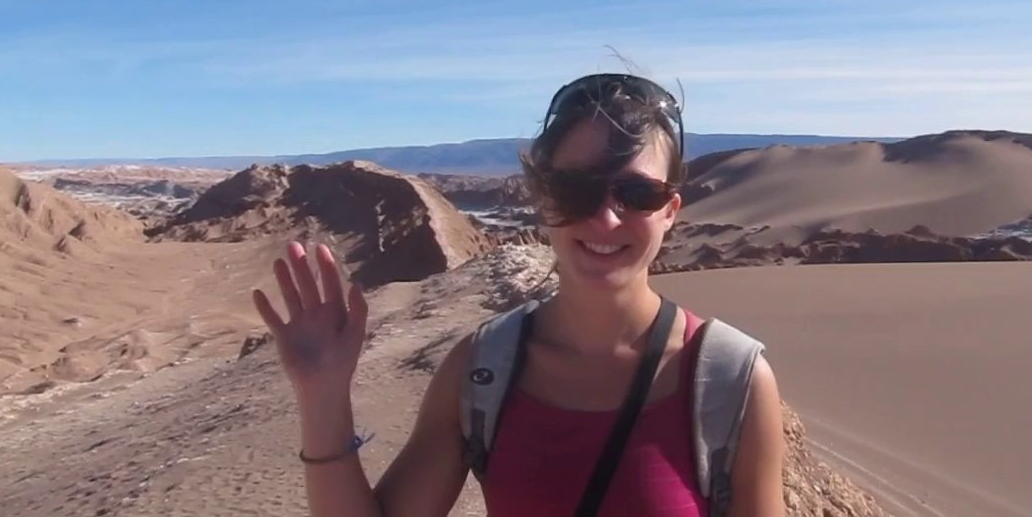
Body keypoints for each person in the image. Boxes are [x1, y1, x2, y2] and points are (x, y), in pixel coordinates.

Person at [252, 72, 787, 516]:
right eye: (576, 189)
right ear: (541, 198)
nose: (604, 217)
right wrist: (322, 398)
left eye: (638, 193)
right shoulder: (483, 370)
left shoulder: (730, 380)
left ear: (670, 210)